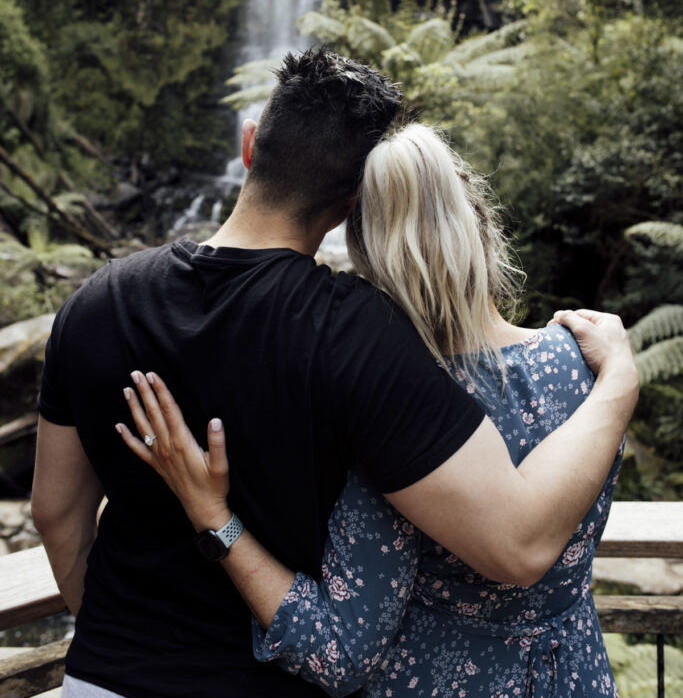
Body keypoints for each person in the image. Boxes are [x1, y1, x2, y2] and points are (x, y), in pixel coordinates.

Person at [31, 49, 637, 698]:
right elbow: (515, 542)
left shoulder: (95, 301)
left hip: (102, 678)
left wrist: (118, 645)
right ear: (353, 201)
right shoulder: (358, 333)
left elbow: (55, 513)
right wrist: (619, 384)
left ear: (249, 144)